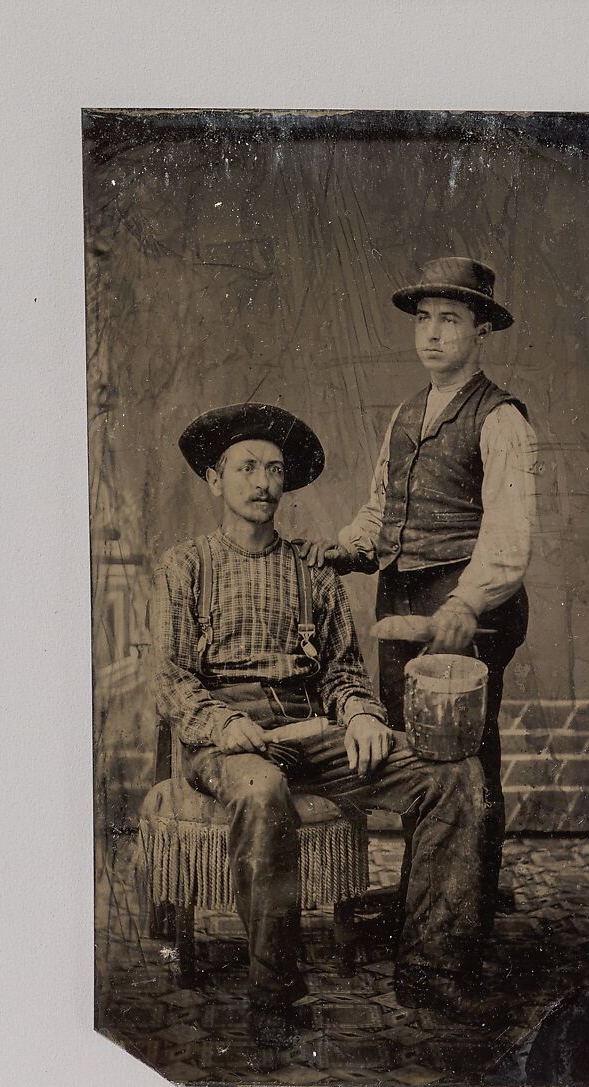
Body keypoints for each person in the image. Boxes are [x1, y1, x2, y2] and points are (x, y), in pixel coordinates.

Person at [151, 401, 500, 1044]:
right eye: (247, 467)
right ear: (215, 480)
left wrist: (363, 716)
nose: (262, 482)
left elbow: (340, 669)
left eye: (274, 469)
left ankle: (431, 971)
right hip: (228, 742)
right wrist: (223, 721)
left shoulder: (313, 571)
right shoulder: (185, 567)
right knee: (261, 791)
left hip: (310, 731)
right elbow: (172, 680)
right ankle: (275, 995)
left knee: (454, 775)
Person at [298, 257, 536, 920]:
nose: (432, 334)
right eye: (424, 319)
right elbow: (383, 507)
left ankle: (467, 907)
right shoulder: (406, 415)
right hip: (401, 599)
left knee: (463, 755)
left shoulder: (500, 419)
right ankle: (421, 898)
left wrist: (466, 601)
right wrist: (347, 548)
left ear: (480, 329)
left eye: (450, 320)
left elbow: (509, 534)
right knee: (411, 753)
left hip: (468, 605)